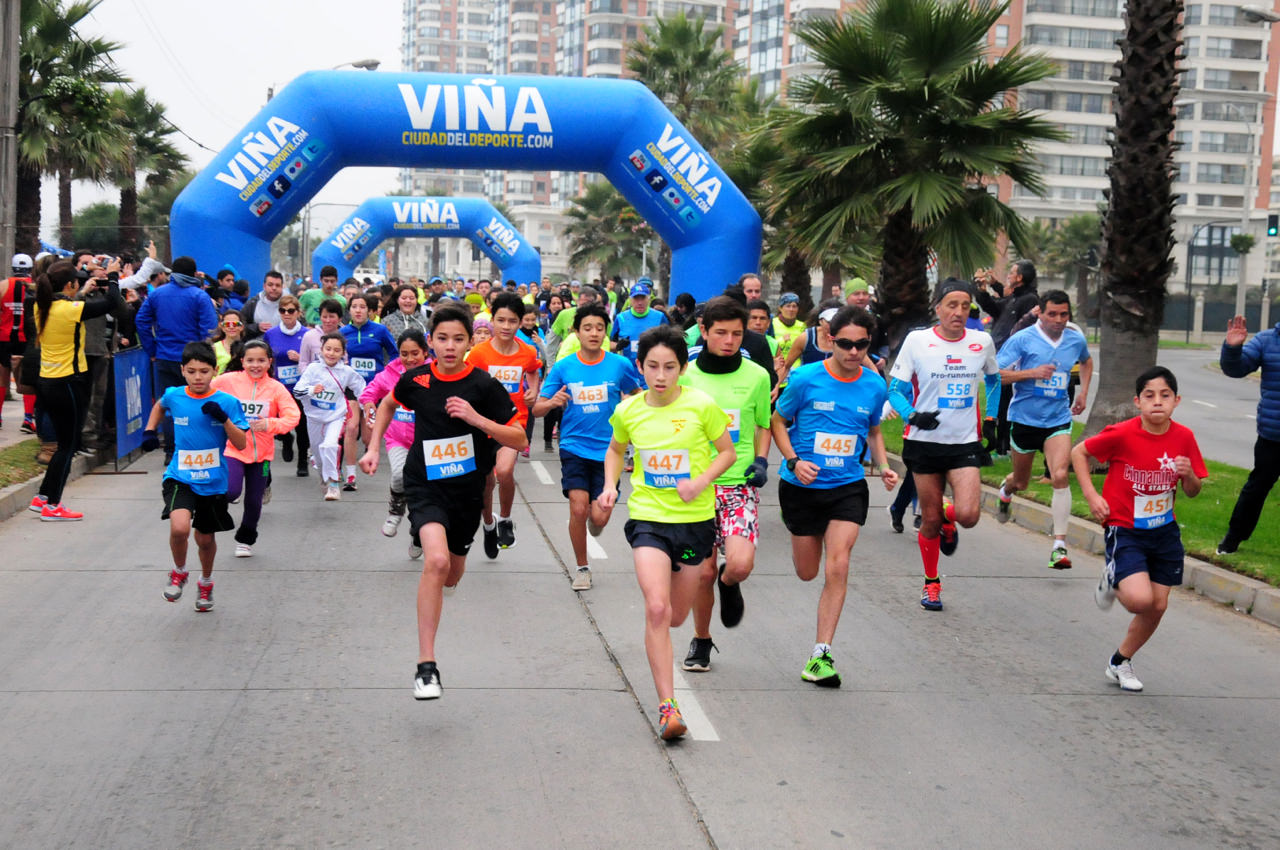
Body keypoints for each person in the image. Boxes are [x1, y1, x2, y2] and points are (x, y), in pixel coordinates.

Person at [360, 305, 527, 700]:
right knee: (435, 562)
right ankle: (426, 667)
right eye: (442, 338)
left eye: (458, 339)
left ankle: (444, 584)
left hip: (468, 492)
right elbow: (387, 403)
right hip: (425, 485)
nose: (449, 346)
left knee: (451, 571)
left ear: (470, 343)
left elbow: (519, 438)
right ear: (430, 341)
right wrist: (373, 447)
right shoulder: (416, 379)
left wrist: (477, 419)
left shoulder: (483, 386)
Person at [598, 324, 735, 740]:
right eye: (653, 366)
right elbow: (615, 449)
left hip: (693, 523)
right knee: (657, 609)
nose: (660, 376)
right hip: (649, 519)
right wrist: (610, 486)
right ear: (640, 367)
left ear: (683, 368)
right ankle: (668, 708)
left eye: (670, 367)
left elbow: (727, 453)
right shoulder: (629, 410)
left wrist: (700, 482)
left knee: (676, 616)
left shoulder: (701, 406)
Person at [771, 305, 895, 686]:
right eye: (845, 344)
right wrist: (793, 461)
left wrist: (883, 465)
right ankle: (799, 529)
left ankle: (821, 655)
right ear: (830, 339)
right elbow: (778, 421)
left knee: (838, 565)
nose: (854, 352)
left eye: (862, 345)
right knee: (808, 572)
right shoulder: (805, 378)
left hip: (847, 486)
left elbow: (874, 430)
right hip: (802, 486)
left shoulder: (874, 385)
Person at [1070, 366, 1207, 692]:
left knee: (1157, 606)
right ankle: (1113, 576)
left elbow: (1193, 490)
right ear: (1138, 402)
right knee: (1138, 601)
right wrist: (1092, 496)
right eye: (1149, 395)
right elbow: (1079, 452)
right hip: (1126, 528)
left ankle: (1120, 662)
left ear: (1176, 401)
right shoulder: (1122, 433)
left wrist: (1188, 475)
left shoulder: (1184, 437)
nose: (1157, 402)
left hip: (1164, 531)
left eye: (1165, 395)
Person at [888, 280, 1000, 612]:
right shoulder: (918, 341)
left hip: (963, 443)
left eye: (965, 306)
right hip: (923, 443)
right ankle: (931, 583)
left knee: (969, 515)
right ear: (937, 308)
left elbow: (994, 379)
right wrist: (912, 415)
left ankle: (951, 517)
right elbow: (895, 390)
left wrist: (991, 419)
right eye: (952, 305)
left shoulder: (982, 341)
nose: (959, 312)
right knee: (930, 520)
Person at [679, 297, 773, 671]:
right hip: (698, 486)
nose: (730, 341)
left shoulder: (757, 376)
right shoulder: (685, 376)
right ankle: (702, 639)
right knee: (701, 572)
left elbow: (763, 423)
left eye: (737, 333)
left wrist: (761, 460)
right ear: (703, 331)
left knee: (740, 564)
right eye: (721, 333)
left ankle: (729, 583)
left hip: (738, 485)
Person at [533, 302, 642, 589]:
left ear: (606, 332)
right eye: (588, 328)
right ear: (576, 331)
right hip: (574, 446)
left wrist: (631, 403)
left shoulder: (619, 365)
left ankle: (597, 521)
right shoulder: (564, 367)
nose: (594, 333)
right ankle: (582, 568)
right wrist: (552, 402)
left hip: (610, 450)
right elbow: (537, 409)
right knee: (578, 508)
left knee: (599, 517)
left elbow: (637, 394)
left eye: (599, 328)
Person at [142, 341, 250, 612]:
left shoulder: (227, 402)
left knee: (205, 539)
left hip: (213, 481)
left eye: (204, 371)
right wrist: (150, 430)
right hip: (180, 476)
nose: (198, 377)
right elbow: (160, 406)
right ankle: (179, 572)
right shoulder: (175, 395)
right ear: (182, 371)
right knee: (179, 528)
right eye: (191, 372)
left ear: (215, 371)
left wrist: (224, 419)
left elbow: (241, 444)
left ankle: (206, 582)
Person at [994, 290, 1093, 568]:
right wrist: (1030, 373)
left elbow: (1086, 361)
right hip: (1024, 420)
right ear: (1041, 313)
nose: (1059, 320)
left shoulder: (1075, 338)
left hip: (1057, 419)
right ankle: (1006, 491)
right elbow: (995, 375)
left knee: (1060, 474)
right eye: (1052, 314)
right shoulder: (1023, 339)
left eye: (1064, 314)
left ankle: (1059, 547)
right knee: (1021, 482)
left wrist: (1084, 392)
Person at [28, 259, 124, 520]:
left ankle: (43, 496)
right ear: (70, 284)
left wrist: (81, 292)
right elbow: (112, 302)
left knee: (62, 444)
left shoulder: (42, 305)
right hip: (69, 382)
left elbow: (70, 307)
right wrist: (113, 276)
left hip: (47, 382)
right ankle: (53, 506)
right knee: (68, 446)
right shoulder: (70, 310)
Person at [464, 293, 542, 557]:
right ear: (492, 320)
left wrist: (533, 390)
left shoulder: (527, 351)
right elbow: (467, 381)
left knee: (505, 471)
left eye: (512, 321)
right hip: (484, 424)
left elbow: (533, 370)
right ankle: (489, 525)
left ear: (520, 322)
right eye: (501, 320)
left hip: (513, 422)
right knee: (486, 483)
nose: (506, 326)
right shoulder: (479, 353)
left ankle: (505, 519)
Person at [210, 339, 299, 557]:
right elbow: (204, 388)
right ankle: (212, 508)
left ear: (269, 362)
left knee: (254, 499)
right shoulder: (229, 380)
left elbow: (293, 416)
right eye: (250, 360)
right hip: (233, 448)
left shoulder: (276, 388)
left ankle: (245, 540)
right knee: (231, 491)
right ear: (242, 361)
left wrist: (269, 424)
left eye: (261, 360)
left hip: (262, 455)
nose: (255, 365)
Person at [135, 256, 220, 463]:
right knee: (196, 402)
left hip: (164, 357)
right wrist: (205, 355)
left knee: (169, 403)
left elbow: (141, 321)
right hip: (194, 361)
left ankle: (170, 451)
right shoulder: (199, 296)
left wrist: (152, 349)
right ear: (194, 273)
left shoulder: (157, 294)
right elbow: (210, 329)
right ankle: (193, 447)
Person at [1216, 314, 1280, 554]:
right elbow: (1235, 369)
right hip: (1273, 435)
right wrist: (1233, 348)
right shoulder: (1266, 340)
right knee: (1257, 488)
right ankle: (1232, 539)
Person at [360, 328, 429, 548]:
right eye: (404, 354)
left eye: (415, 353)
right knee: (399, 475)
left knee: (424, 490)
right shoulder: (390, 372)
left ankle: (419, 533)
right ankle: (396, 509)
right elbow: (370, 392)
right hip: (397, 439)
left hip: (428, 441)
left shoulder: (435, 373)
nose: (410, 359)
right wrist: (369, 405)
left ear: (425, 352)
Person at [972, 260, 1040, 454]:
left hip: (1012, 360)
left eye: (1012, 272)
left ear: (1020, 277)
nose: (1008, 275)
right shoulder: (1014, 298)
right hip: (999, 355)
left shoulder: (1029, 300)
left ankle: (1003, 448)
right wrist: (982, 290)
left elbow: (1025, 330)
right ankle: (998, 445)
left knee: (1005, 403)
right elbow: (993, 307)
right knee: (998, 401)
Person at [295, 332, 366, 500]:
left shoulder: (346, 371)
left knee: (329, 445)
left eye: (336, 350)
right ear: (321, 350)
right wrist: (312, 390)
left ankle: (333, 484)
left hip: (336, 416)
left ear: (343, 353)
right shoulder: (313, 369)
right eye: (328, 349)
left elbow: (362, 389)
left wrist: (368, 408)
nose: (331, 353)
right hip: (314, 418)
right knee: (319, 455)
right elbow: (297, 391)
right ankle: (323, 476)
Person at [340, 293, 398, 489]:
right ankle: (350, 476)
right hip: (350, 386)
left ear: (370, 311)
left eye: (362, 307)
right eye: (354, 306)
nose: (358, 310)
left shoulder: (380, 330)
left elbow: (395, 353)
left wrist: (389, 372)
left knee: (367, 436)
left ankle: (369, 451)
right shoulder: (343, 332)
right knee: (351, 428)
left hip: (373, 388)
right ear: (349, 310)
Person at [263, 294, 311, 476]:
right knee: (277, 422)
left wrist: (301, 359)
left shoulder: (307, 334)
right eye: (283, 310)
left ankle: (302, 462)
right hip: (279, 387)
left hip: (301, 386)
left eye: (291, 311)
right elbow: (265, 357)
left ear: (298, 312)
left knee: (302, 425)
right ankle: (285, 439)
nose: (287, 314)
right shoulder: (271, 334)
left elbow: (316, 361)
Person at [2, 253, 33, 429]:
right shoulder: (35, 287)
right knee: (28, 379)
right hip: (26, 339)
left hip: (4, 337)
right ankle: (28, 419)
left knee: (2, 378)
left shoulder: (2, 286)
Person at [612, 277, 670, 367]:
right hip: (629, 369)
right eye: (636, 298)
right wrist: (618, 346)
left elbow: (670, 342)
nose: (639, 303)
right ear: (630, 300)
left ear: (649, 299)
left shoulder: (659, 317)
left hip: (652, 369)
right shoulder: (621, 318)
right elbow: (610, 343)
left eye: (642, 298)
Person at [239, 270, 286, 337]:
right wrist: (256, 327)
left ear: (282, 287)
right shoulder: (253, 303)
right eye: (270, 285)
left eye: (277, 285)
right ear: (264, 286)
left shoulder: (290, 303)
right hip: (258, 342)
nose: (274, 288)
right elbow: (240, 325)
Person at [771, 292, 806, 366]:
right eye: (788, 306)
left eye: (794, 306)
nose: (791, 309)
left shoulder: (802, 326)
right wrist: (782, 341)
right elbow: (767, 347)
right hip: (777, 367)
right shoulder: (772, 323)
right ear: (780, 308)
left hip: (796, 368)